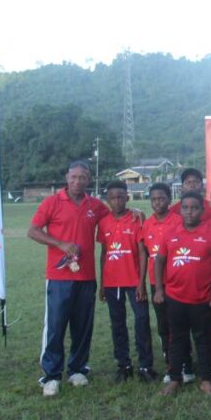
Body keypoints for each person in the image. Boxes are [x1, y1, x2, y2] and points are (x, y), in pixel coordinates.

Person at [27, 160, 109, 397]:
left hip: (86, 277)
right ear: (66, 177)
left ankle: (77, 369)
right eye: (73, 177)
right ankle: (51, 375)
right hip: (59, 276)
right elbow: (32, 231)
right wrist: (60, 244)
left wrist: (133, 210)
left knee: (83, 326)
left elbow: (113, 215)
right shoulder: (52, 202)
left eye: (82, 177)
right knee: (55, 326)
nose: (77, 181)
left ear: (88, 180)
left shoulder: (95, 205)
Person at [155, 193, 211, 396]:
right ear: (180, 210)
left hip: (202, 298)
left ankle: (206, 379)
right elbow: (159, 261)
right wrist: (158, 289)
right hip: (175, 298)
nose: (190, 212)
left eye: (194, 208)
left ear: (202, 210)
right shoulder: (171, 233)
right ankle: (175, 379)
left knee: (203, 339)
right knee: (177, 340)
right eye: (186, 208)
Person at [98, 180, 154, 383]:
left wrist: (141, 283)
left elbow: (142, 252)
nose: (117, 201)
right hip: (112, 283)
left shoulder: (136, 219)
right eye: (113, 197)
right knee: (117, 323)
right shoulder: (104, 222)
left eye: (121, 196)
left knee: (141, 320)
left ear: (127, 197)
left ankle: (146, 365)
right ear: (108, 200)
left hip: (133, 281)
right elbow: (104, 253)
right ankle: (124, 365)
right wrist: (103, 283)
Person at [140, 183, 182, 379]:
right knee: (163, 324)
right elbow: (145, 253)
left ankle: (183, 361)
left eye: (162, 198)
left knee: (179, 323)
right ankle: (169, 361)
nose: (158, 202)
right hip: (156, 283)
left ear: (169, 199)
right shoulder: (146, 224)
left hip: (178, 281)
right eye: (154, 199)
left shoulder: (179, 221)